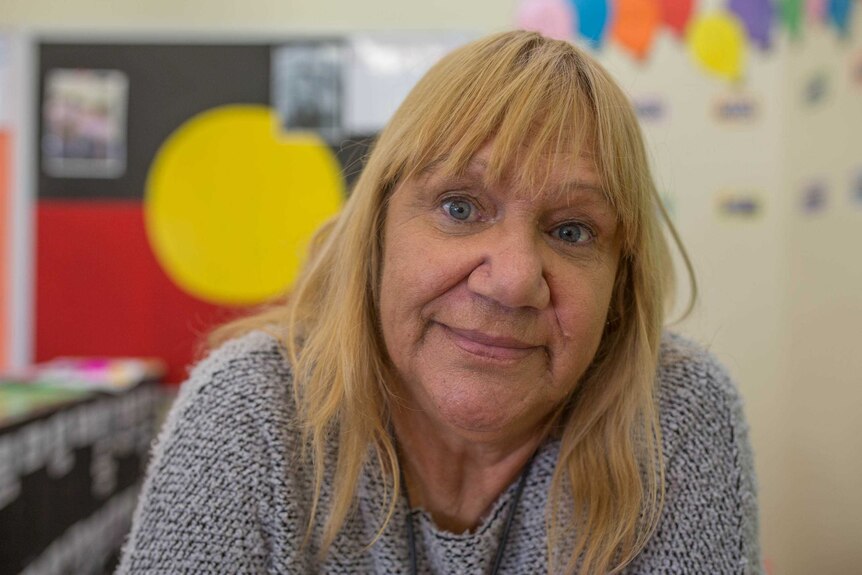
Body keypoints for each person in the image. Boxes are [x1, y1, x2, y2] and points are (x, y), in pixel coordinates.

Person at [118, 31, 762, 574]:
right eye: (460, 207)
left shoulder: (672, 414)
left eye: (572, 231)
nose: (512, 281)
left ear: (619, 288)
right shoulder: (253, 411)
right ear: (377, 233)